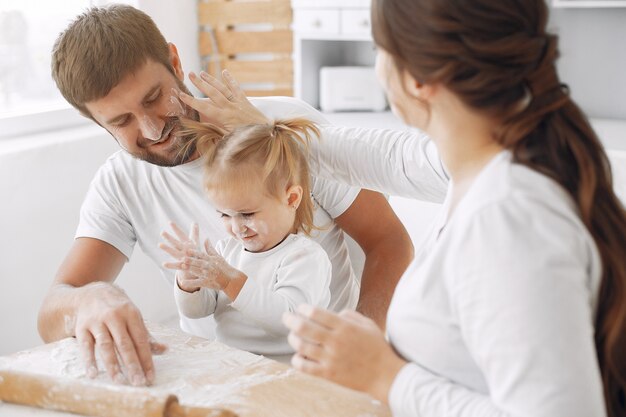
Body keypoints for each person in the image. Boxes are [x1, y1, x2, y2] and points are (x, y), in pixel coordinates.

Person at [37, 4, 434, 387]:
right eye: (121, 121)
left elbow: (389, 242)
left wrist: (361, 345)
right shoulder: (120, 183)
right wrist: (87, 301)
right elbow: (53, 311)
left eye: (154, 97)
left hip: (320, 374)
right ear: (95, 122)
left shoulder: (280, 128)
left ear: (175, 63)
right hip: (218, 380)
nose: (152, 128)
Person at [278, 0, 626, 416]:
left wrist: (384, 374)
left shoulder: (507, 217)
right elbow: (393, 158)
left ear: (420, 78)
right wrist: (269, 127)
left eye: (378, 51)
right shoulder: (494, 161)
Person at [159, 119, 331, 362]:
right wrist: (189, 284)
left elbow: (289, 321)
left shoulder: (304, 257)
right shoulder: (227, 251)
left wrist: (230, 280)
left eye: (247, 214)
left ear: (291, 199)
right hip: (233, 363)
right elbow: (197, 311)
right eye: (225, 215)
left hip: (289, 369)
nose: (237, 227)